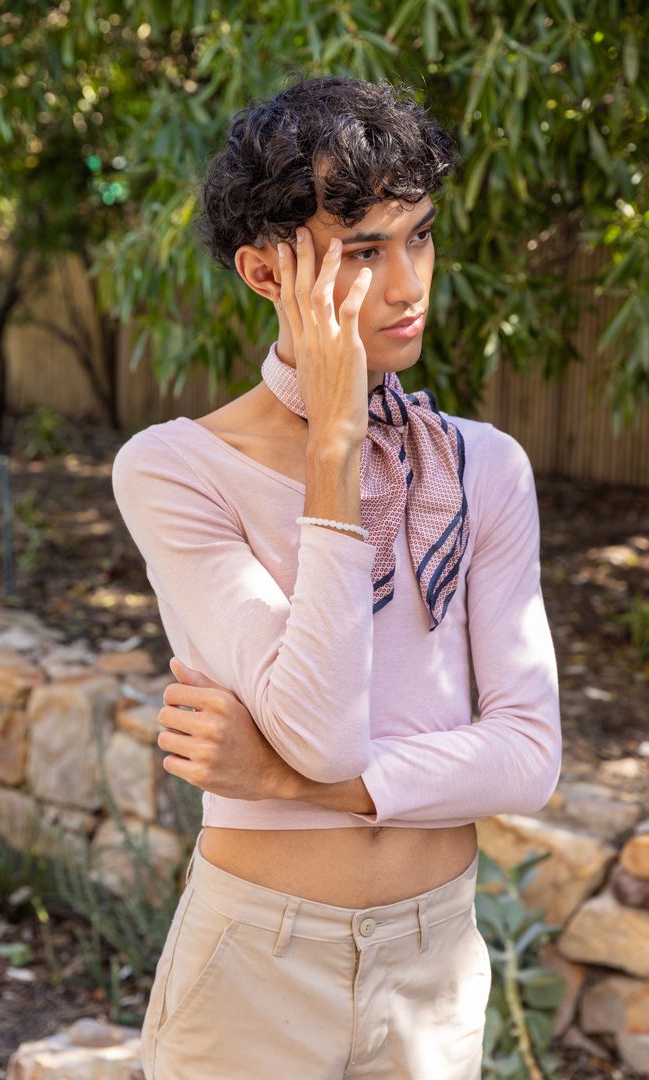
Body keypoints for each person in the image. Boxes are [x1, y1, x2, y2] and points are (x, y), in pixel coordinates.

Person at [112, 75, 561, 1080]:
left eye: (421, 236)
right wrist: (338, 444)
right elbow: (325, 724)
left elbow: (528, 756)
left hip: (433, 968)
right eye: (363, 251)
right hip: (255, 969)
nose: (408, 284)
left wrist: (284, 782)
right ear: (266, 273)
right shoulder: (175, 468)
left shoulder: (484, 466)